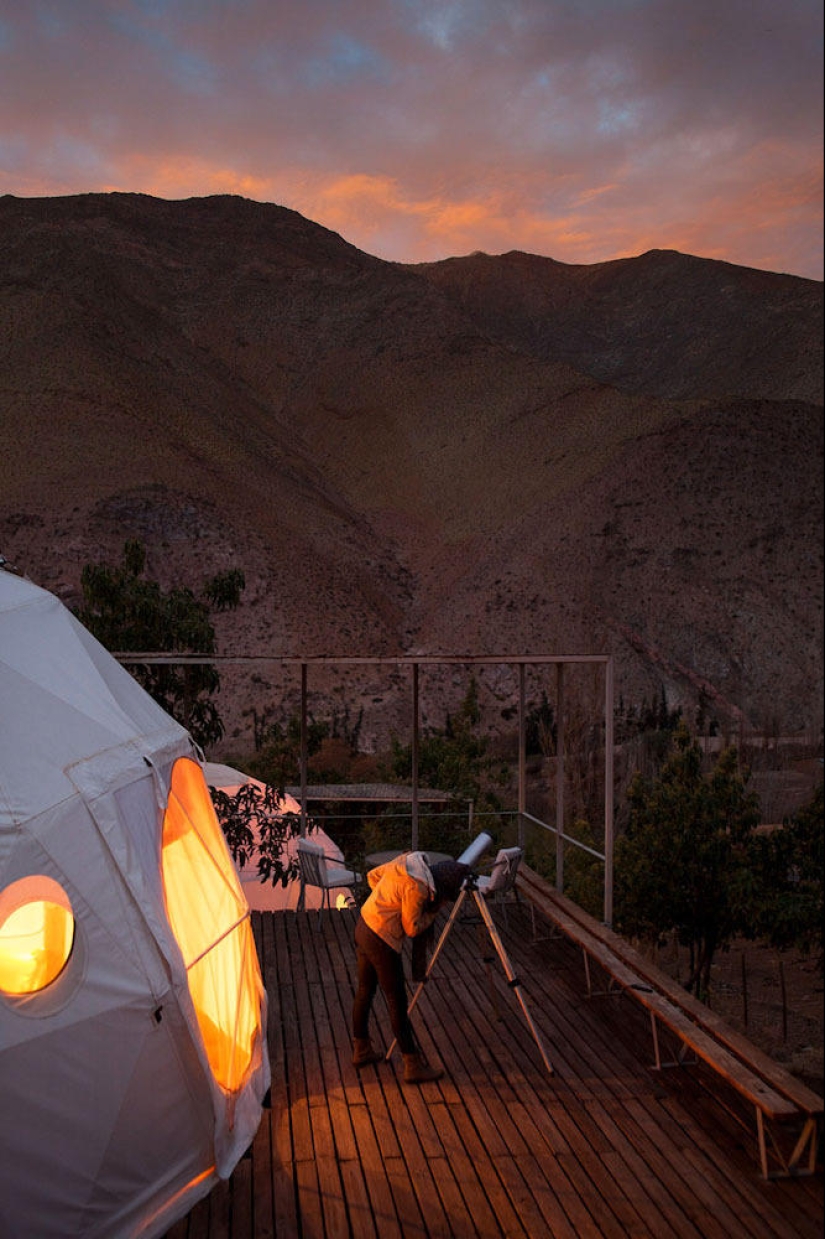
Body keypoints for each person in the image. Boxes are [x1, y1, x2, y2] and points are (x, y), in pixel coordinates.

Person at [351, 852, 468, 1083]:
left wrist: (385, 901)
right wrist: (433, 913)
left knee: (365, 990)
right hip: (381, 939)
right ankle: (412, 1065)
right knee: (397, 1000)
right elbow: (412, 927)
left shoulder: (405, 861)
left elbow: (372, 876)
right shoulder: (418, 888)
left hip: (365, 923)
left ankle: (361, 1049)